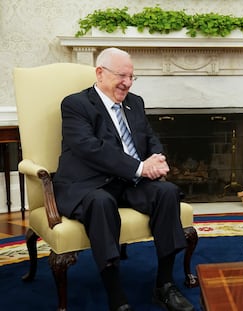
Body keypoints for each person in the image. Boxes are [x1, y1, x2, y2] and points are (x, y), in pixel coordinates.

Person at [52, 47, 195, 311]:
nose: (127, 83)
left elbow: (150, 137)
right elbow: (90, 148)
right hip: (88, 183)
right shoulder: (75, 104)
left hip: (127, 183)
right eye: (122, 76)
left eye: (132, 77)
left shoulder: (135, 102)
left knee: (167, 193)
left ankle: (165, 285)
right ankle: (117, 297)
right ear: (100, 73)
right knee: (101, 203)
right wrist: (140, 168)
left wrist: (157, 159)